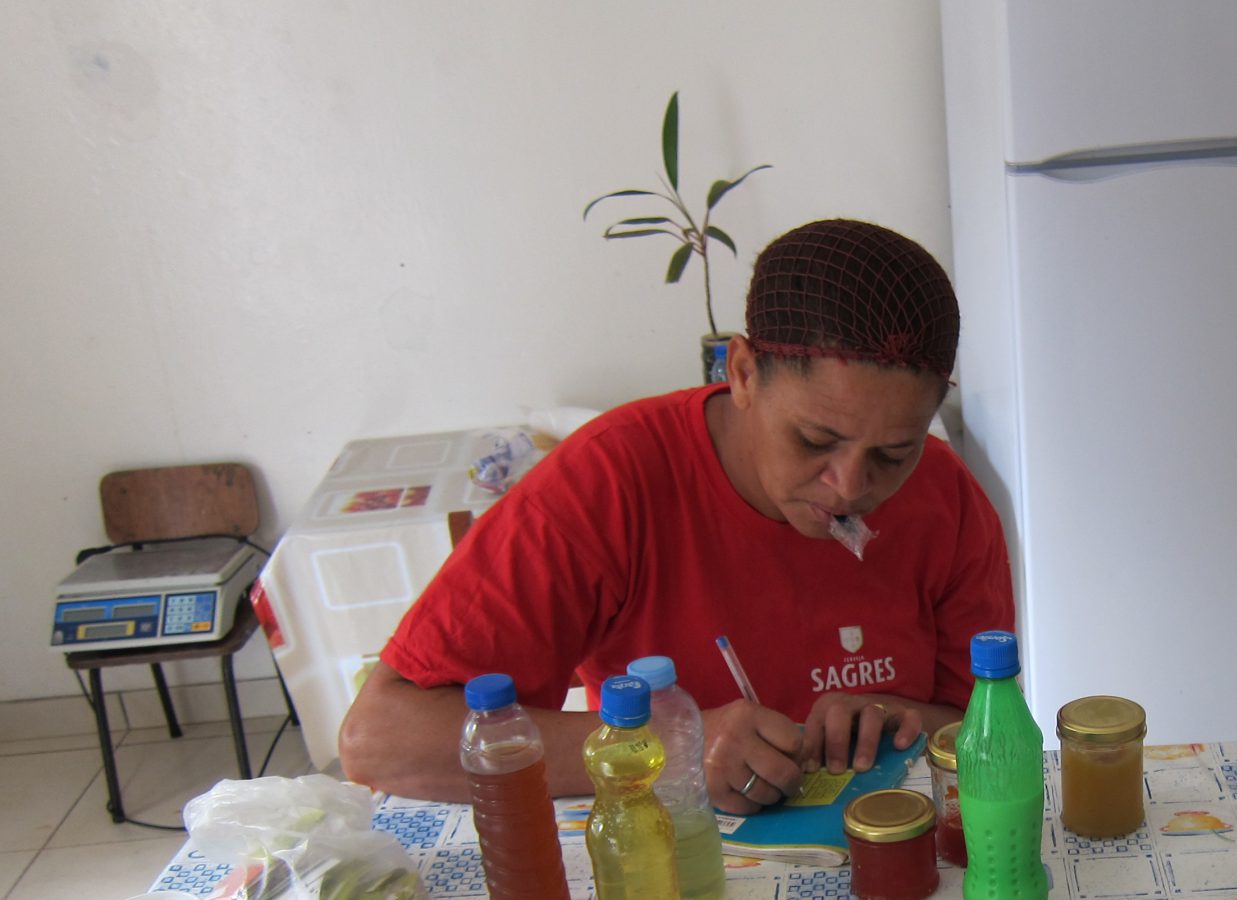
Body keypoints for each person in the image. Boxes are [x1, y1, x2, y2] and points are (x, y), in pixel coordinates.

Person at [339, 219, 1015, 811]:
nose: (849, 487)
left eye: (893, 454)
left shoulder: (945, 499)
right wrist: (670, 746)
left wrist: (896, 719)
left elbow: (979, 724)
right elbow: (382, 740)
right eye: (814, 441)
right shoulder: (610, 483)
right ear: (742, 372)